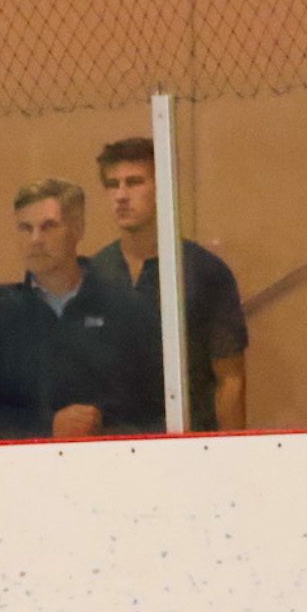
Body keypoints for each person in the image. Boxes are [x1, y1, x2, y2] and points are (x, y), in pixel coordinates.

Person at [0, 179, 163, 440]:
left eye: (48, 226)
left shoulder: (127, 309)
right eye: (25, 228)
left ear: (77, 229)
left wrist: (103, 427)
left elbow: (159, 409)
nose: (35, 239)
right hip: (29, 463)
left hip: (114, 459)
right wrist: (47, 427)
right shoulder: (1, 318)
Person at [89, 137, 250, 431]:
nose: (121, 195)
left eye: (134, 182)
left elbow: (230, 378)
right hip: (113, 445)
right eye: (113, 184)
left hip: (188, 440)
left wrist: (230, 452)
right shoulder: (95, 273)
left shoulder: (202, 271)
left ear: (163, 189)